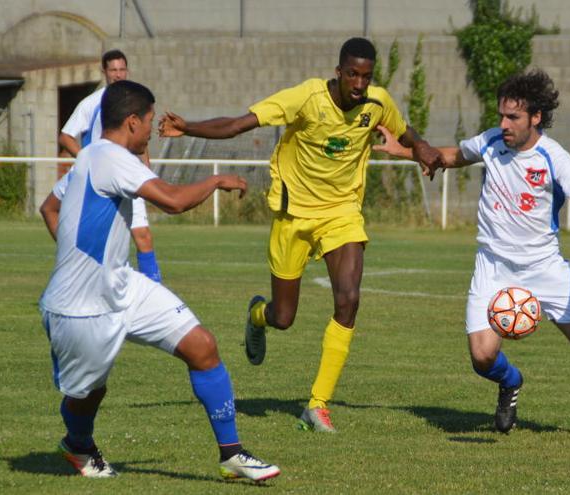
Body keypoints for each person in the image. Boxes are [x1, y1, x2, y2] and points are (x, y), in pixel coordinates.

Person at [158, 37, 441, 433]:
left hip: (342, 215)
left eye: (366, 76)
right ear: (339, 72)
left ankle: (317, 405)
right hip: (294, 217)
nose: (360, 84)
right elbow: (240, 124)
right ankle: (259, 315)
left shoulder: (377, 102)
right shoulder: (305, 98)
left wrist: (423, 147)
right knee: (284, 317)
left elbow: (404, 130)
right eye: (353, 75)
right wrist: (188, 127)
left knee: (349, 299)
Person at [374, 69, 570, 440]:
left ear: (536, 117)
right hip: (493, 266)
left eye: (513, 117)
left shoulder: (554, 157)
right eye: (501, 116)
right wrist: (408, 151)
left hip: (545, 267)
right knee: (481, 357)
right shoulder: (491, 142)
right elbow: (450, 156)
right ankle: (511, 383)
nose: (504, 124)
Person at [39, 80, 281, 482]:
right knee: (88, 393)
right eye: (149, 120)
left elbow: (50, 207)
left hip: (123, 285)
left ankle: (232, 455)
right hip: (81, 309)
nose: (152, 128)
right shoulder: (111, 156)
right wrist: (217, 180)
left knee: (202, 345)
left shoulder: (93, 156)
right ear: (132, 121)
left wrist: (84, 257)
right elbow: (173, 201)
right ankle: (77, 443)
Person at [47, 48, 161, 282]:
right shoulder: (92, 103)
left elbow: (140, 138)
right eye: (113, 70)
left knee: (143, 236)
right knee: (54, 212)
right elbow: (66, 136)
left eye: (122, 69)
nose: (118, 75)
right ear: (104, 72)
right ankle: (75, 263)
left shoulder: (134, 101)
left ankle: (154, 288)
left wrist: (146, 168)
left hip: (127, 176)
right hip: (96, 179)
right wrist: (87, 158)